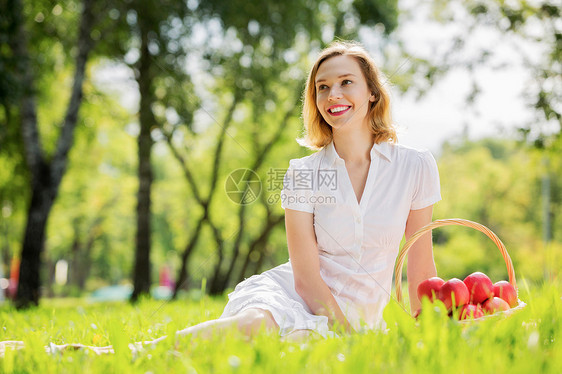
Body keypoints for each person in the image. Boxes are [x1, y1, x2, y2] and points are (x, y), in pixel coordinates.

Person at [0, 40, 441, 356]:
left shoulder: (414, 166)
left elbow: (421, 270)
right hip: (297, 297)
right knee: (256, 328)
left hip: (357, 320)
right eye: (321, 88)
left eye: (346, 82)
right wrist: (348, 334)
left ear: (372, 93)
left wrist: (432, 336)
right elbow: (306, 279)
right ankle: (116, 353)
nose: (333, 96)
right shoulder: (303, 174)